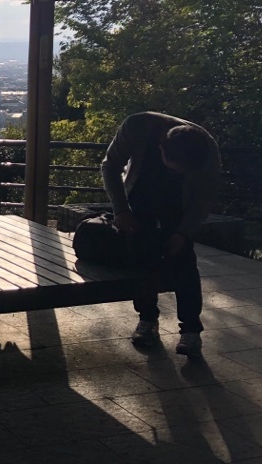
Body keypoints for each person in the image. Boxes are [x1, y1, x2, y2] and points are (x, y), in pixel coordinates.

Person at [101, 112, 221, 358]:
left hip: (180, 201)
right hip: (139, 194)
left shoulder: (206, 152)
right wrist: (121, 210)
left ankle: (191, 330)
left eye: (184, 171)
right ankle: (147, 320)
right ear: (161, 149)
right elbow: (110, 166)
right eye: (175, 169)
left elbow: (201, 200)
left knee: (184, 259)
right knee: (142, 257)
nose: (178, 173)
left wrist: (182, 232)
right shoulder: (136, 127)